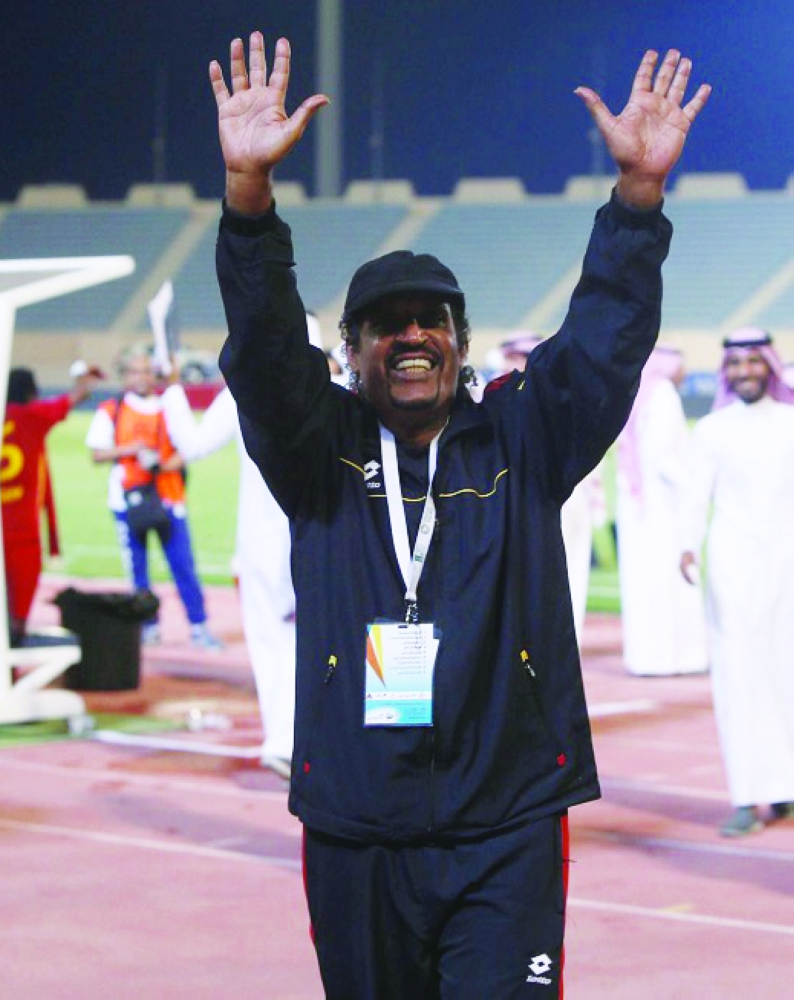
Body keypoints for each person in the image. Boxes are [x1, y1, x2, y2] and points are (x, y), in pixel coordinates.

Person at [210, 31, 709, 997]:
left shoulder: (523, 439)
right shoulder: (317, 453)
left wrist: (637, 201)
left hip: (505, 822)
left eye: (430, 319)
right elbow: (264, 349)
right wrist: (247, 197)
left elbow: (602, 343)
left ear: (458, 342)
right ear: (350, 352)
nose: (410, 336)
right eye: (384, 324)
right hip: (357, 824)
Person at [161, 318, 322, 779]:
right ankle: (321, 741)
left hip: (261, 540)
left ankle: (283, 741)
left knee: (272, 642)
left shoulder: (243, 391)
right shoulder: (333, 392)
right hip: (318, 535)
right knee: (325, 642)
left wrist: (172, 389)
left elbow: (192, 445)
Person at [680, 329, 794, 837]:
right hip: (732, 568)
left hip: (787, 565)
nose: (744, 371)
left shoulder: (790, 423)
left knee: (786, 675)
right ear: (725, 372)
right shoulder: (712, 429)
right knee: (739, 679)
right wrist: (686, 544)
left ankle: (785, 788)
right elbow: (694, 496)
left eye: (753, 361)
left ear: (769, 366)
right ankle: (747, 797)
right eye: (735, 364)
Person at [84, 348, 222, 650]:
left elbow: (189, 448)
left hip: (169, 497)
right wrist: (130, 449)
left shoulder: (169, 407)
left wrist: (164, 464)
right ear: (124, 376)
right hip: (128, 501)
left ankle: (199, 626)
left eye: (147, 371)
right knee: (137, 570)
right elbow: (97, 452)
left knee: (183, 565)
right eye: (134, 371)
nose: (141, 378)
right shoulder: (112, 409)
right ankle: (148, 627)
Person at [497, 332, 605, 649]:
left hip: (560, 497)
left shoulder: (545, 394)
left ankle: (562, 642)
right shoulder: (505, 395)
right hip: (525, 498)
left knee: (567, 570)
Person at [616, 345, 709, 675]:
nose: (684, 371)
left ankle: (649, 657)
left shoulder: (639, 395)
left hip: (638, 505)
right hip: (663, 506)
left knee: (646, 582)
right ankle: (677, 656)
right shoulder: (663, 394)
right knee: (668, 579)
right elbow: (662, 458)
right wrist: (695, 485)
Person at [0, 363, 101, 642]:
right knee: (19, 612)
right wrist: (83, 378)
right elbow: (76, 397)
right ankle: (13, 649)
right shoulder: (35, 415)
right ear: (31, 393)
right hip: (23, 531)